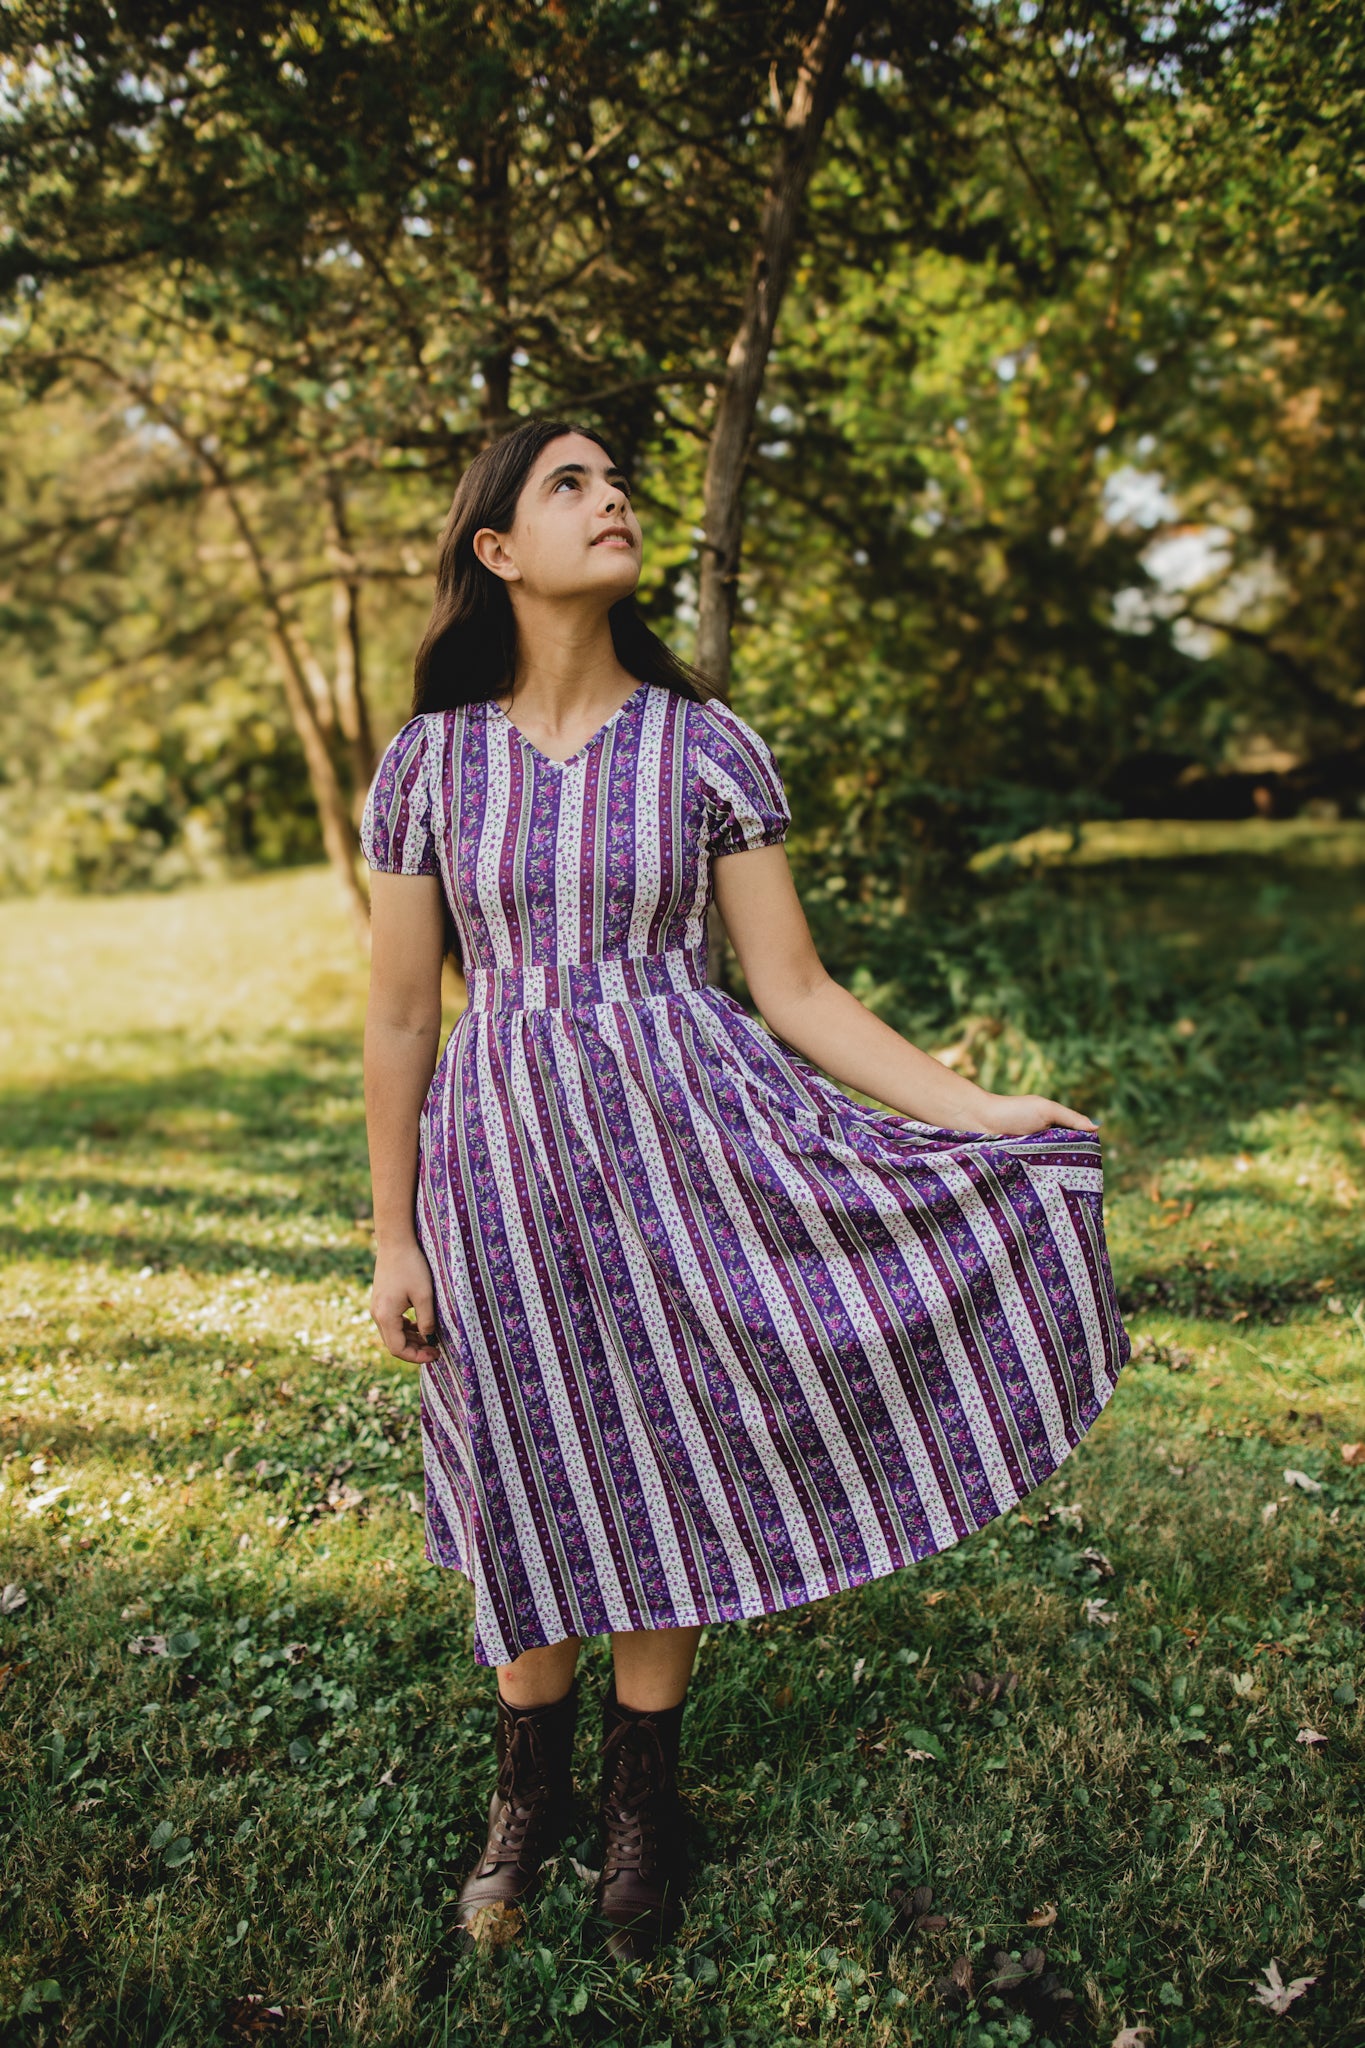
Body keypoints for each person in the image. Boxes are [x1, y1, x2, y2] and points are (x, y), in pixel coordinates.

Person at [360, 417, 1129, 1962]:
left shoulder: (704, 743)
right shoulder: (429, 762)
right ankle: (529, 1793)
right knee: (523, 1441)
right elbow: (399, 1015)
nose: (612, 497)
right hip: (499, 1153)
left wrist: (977, 1110)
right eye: (566, 484)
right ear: (497, 552)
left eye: (615, 478)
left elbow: (797, 990)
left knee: (664, 1434)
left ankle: (645, 1795)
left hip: (691, 1138)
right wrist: (392, 1231)